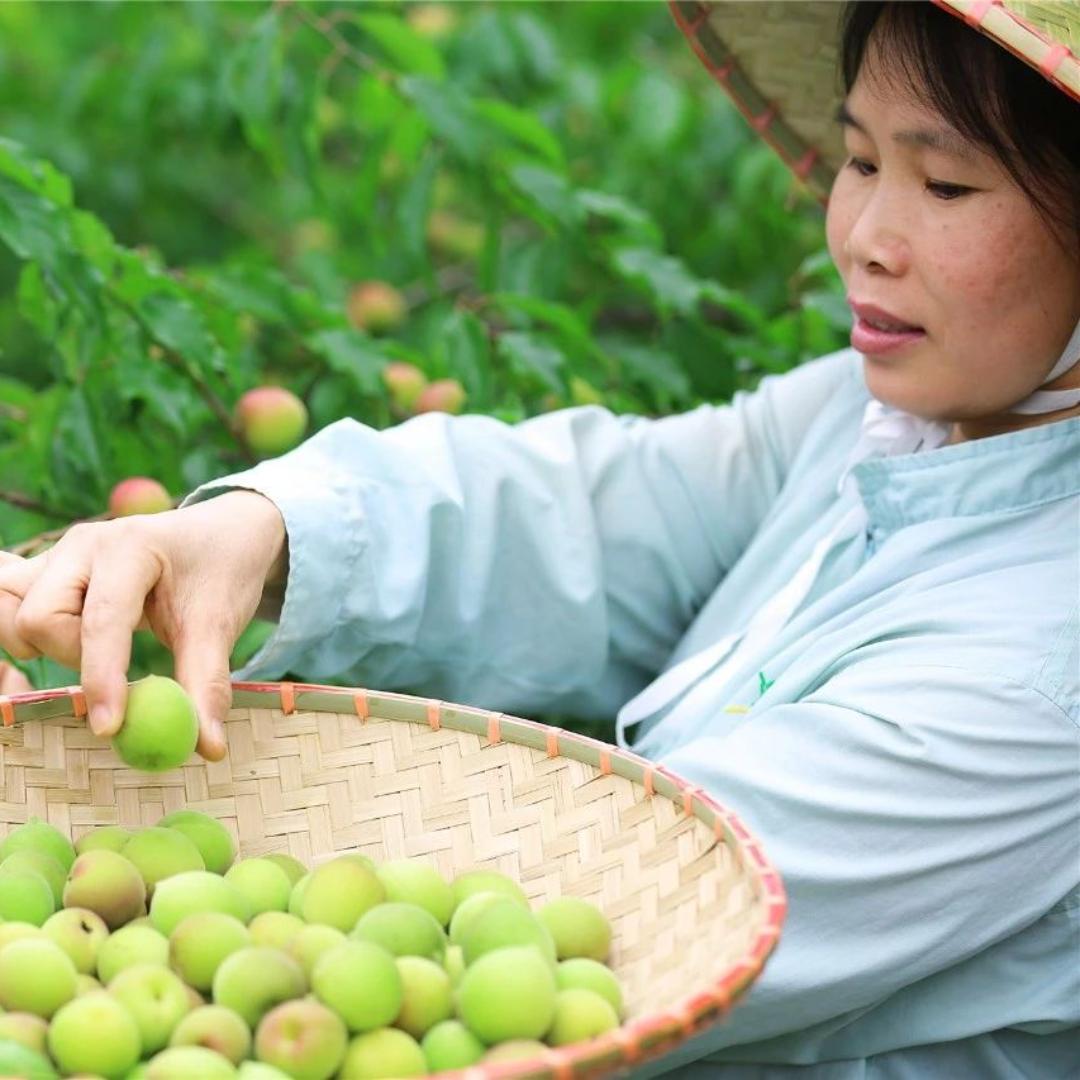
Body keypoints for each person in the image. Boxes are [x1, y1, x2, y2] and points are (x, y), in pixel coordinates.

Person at [0, 1, 1077, 1075]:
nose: (864, 238)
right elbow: (602, 513)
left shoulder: (1045, 670)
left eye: (945, 184)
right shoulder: (882, 419)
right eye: (858, 159)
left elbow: (634, 910)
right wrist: (262, 532)